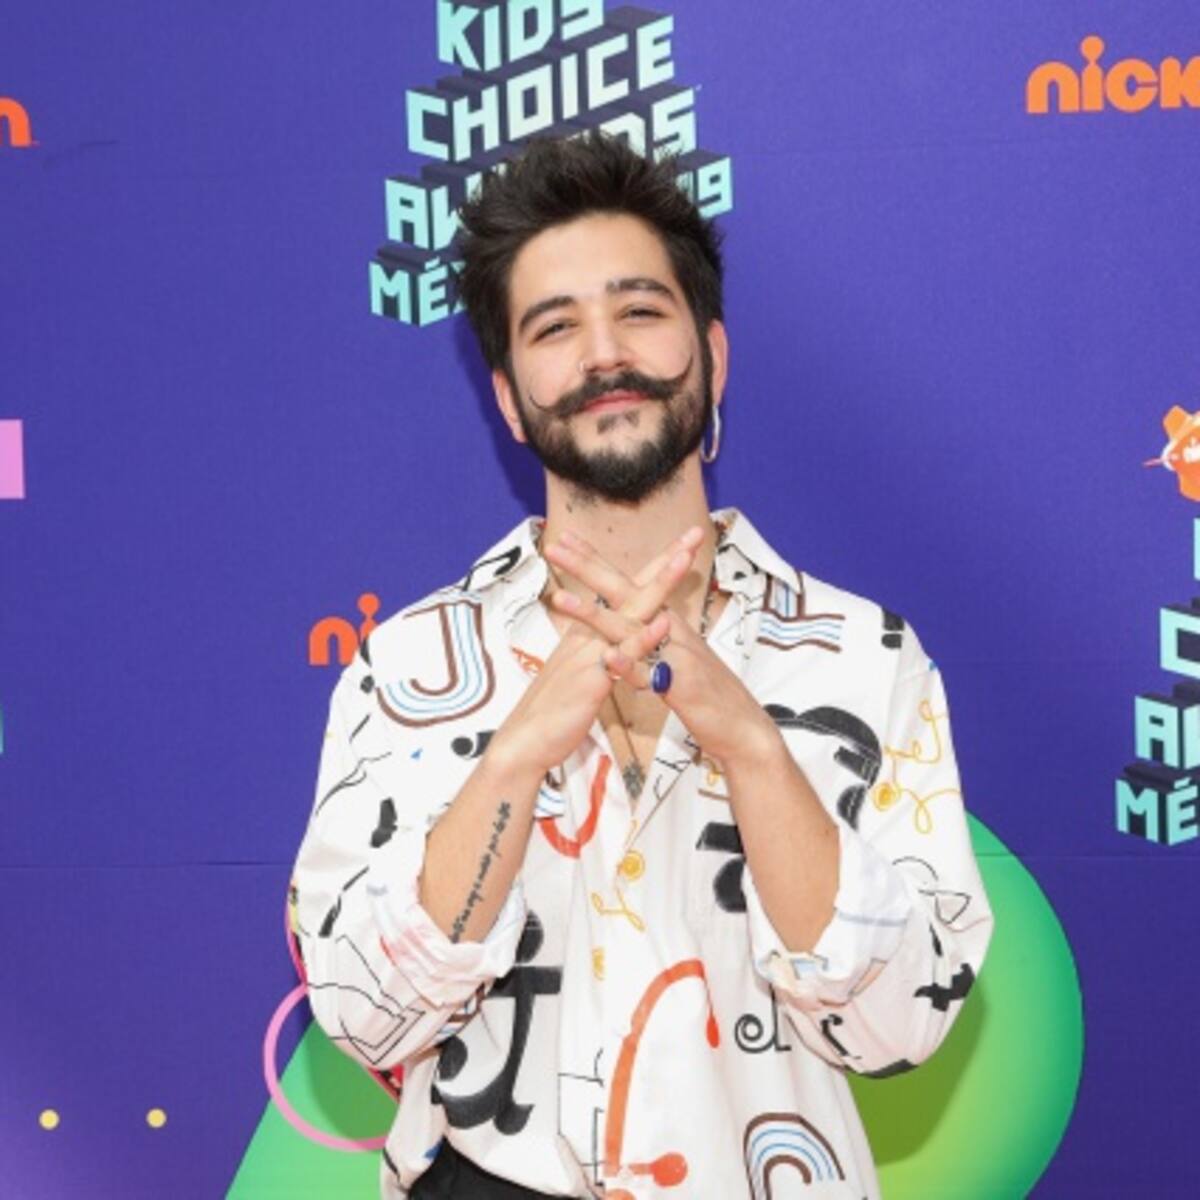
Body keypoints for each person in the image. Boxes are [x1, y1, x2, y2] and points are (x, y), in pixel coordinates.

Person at [291, 131, 992, 1199]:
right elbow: (364, 1016)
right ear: (509, 397)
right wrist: (513, 760)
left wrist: (753, 747)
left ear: (713, 355)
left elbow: (902, 1027)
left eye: (640, 310)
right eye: (555, 327)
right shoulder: (411, 666)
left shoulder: (865, 657)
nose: (603, 355)